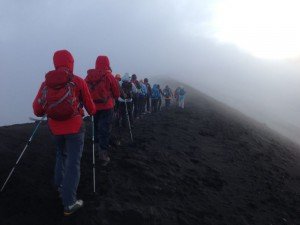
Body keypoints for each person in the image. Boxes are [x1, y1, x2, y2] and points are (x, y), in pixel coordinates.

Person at [33, 49, 96, 216]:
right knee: (73, 163)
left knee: (61, 155)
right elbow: (91, 108)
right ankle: (69, 203)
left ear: (55, 62)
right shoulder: (77, 81)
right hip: (75, 128)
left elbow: (37, 110)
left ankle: (59, 185)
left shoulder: (46, 83)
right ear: (71, 62)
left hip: (55, 128)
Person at [85, 55, 120, 165]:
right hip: (107, 107)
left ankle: (95, 149)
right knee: (104, 129)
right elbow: (116, 93)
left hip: (93, 107)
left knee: (95, 127)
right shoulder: (109, 76)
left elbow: (84, 91)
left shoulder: (89, 76)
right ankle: (103, 154)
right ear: (107, 63)